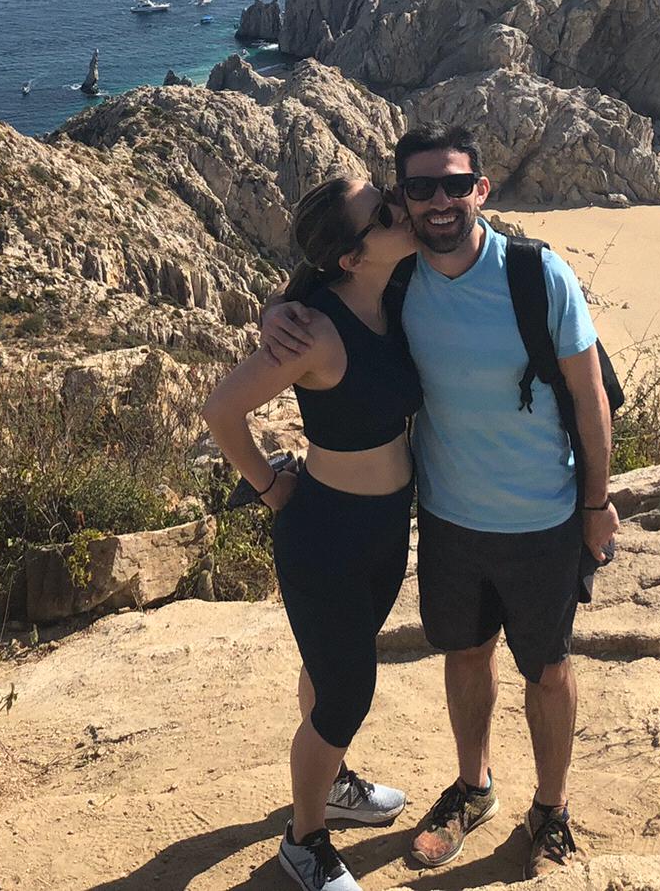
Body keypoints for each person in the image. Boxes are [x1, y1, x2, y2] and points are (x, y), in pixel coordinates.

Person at [263, 127, 619, 878]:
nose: (439, 201)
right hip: (448, 519)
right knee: (466, 655)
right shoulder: (399, 277)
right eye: (420, 188)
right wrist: (276, 309)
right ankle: (472, 787)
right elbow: (328, 283)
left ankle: (551, 808)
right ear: (403, 199)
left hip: (543, 517)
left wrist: (596, 503)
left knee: (549, 668)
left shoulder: (536, 275)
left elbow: (590, 398)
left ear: (481, 189)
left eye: (456, 184)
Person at [204, 174, 423, 891]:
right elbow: (221, 410)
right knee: (346, 694)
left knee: (333, 667)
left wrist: (276, 302)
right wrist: (270, 487)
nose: (399, 209)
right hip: (326, 534)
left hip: (385, 528)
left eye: (387, 195)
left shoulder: (394, 289)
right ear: (351, 257)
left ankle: (332, 786)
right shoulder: (315, 332)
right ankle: (304, 842)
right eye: (383, 212)